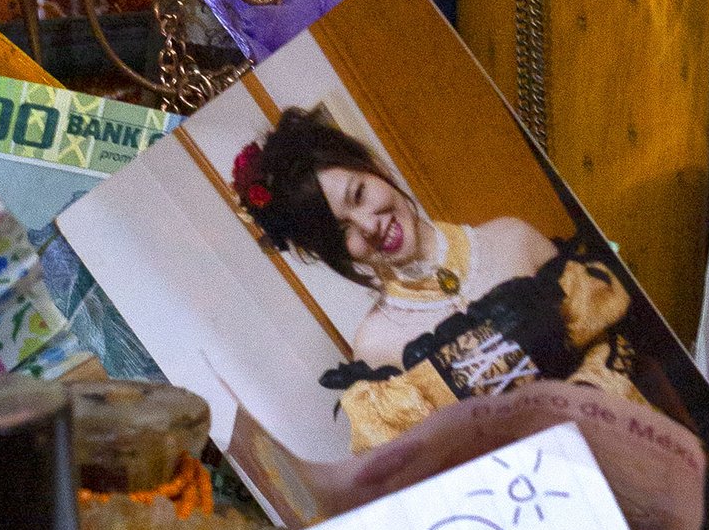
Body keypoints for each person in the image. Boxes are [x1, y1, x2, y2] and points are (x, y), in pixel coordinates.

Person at [231, 105, 659, 452]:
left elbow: (620, 338)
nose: (368, 226)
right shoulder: (377, 347)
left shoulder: (512, 239)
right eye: (342, 232)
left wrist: (586, 405)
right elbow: (435, 473)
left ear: (373, 166)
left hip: (637, 450)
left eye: (359, 194)